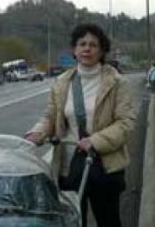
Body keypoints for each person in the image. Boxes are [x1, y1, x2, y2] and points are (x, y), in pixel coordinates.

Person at [25, 23, 136, 227]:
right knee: (73, 221)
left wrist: (95, 141)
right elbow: (51, 116)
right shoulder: (61, 83)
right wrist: (38, 132)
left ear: (102, 50)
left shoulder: (117, 83)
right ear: (74, 50)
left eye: (93, 45)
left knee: (109, 220)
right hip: (70, 166)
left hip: (106, 165)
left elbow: (126, 123)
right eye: (82, 44)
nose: (87, 49)